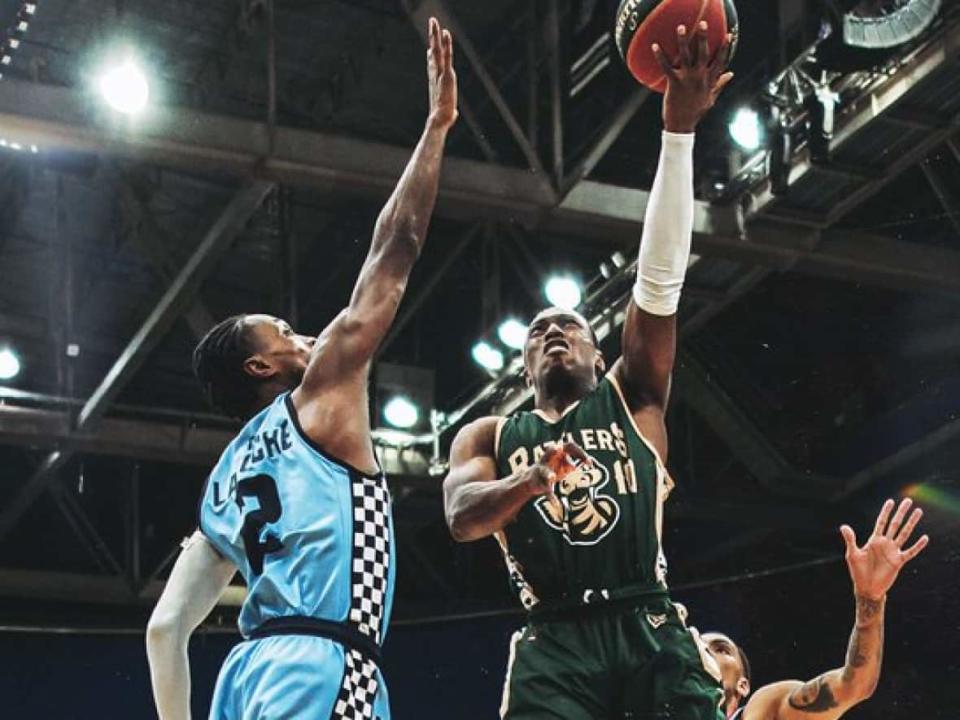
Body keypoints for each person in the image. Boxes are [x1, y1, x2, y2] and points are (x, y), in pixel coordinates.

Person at [145, 17, 458, 720]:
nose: (306, 335)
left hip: (245, 679)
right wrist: (436, 127)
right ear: (261, 364)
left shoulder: (226, 478)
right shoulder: (322, 397)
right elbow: (395, 250)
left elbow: (166, 628)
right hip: (321, 664)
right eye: (285, 332)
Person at [443, 22, 734, 720]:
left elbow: (658, 282)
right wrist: (531, 479)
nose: (552, 334)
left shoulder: (634, 396)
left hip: (646, 619)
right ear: (523, 363)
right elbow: (459, 517)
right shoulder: (487, 434)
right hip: (555, 632)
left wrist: (677, 135)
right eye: (539, 331)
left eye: (568, 327)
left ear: (599, 355)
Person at [703, 498, 929, 720]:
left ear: (742, 685)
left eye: (721, 649)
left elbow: (854, 685)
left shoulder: (765, 709)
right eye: (698, 647)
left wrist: (870, 599)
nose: (706, 652)